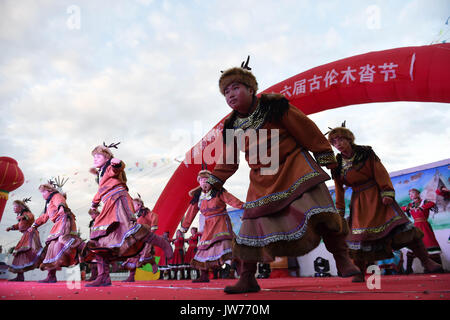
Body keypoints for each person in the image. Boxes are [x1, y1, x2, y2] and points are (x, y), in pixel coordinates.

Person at [207, 59, 360, 294]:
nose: (230, 95)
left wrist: (325, 157)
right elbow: (228, 160)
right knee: (250, 227)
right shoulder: (231, 125)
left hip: (294, 166)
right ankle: (247, 277)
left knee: (321, 212)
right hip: (261, 178)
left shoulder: (274, 105)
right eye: (226, 92)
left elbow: (305, 128)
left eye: (235, 88)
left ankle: (342, 259)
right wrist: (215, 179)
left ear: (251, 89)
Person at [327, 123, 443, 282]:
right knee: (360, 238)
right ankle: (360, 272)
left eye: (340, 139)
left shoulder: (366, 153)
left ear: (348, 138)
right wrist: (339, 211)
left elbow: (379, 171)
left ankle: (427, 261)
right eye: (333, 142)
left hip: (378, 198)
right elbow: (339, 189)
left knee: (402, 229)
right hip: (359, 203)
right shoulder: (337, 165)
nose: (337, 144)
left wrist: (386, 191)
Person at [83, 142, 173, 287]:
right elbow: (101, 190)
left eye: (98, 156)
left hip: (118, 200)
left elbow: (116, 169)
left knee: (131, 230)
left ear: (106, 157)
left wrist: (116, 163)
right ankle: (103, 276)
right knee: (98, 239)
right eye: (94, 156)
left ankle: (162, 243)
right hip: (107, 205)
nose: (94, 159)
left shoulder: (109, 168)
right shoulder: (101, 174)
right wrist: (94, 203)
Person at [180, 169, 244, 283]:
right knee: (203, 248)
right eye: (201, 180)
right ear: (199, 182)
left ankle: (235, 267)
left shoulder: (219, 192)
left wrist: (244, 207)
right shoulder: (198, 196)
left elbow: (232, 200)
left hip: (221, 222)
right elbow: (191, 212)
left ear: (211, 181)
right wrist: (184, 227)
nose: (204, 182)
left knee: (225, 245)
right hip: (208, 225)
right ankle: (204, 274)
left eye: (206, 180)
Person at [29, 179, 83, 283]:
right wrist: (35, 225)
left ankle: (85, 248)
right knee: (51, 248)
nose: (42, 195)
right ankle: (51, 276)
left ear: (49, 191)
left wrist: (61, 207)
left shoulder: (56, 195)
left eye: (43, 192)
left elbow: (60, 201)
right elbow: (44, 217)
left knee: (64, 239)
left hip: (64, 219)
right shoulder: (49, 204)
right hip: (57, 223)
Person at [401, 188, 442, 273]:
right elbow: (402, 209)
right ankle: (408, 269)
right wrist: (408, 208)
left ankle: (438, 268)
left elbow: (432, 203)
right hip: (416, 226)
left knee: (430, 244)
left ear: (417, 194)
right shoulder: (410, 205)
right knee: (412, 246)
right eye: (409, 194)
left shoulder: (424, 202)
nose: (411, 195)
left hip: (424, 226)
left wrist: (422, 207)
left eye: (412, 193)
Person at [122, 195, 160, 282]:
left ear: (139, 205)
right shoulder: (135, 216)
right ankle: (131, 277)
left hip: (146, 238)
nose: (132, 207)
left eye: (134, 205)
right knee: (133, 256)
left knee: (144, 255)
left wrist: (153, 227)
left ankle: (153, 263)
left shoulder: (145, 212)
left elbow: (154, 216)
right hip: (136, 239)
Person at [6, 198, 44, 281]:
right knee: (20, 254)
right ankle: (20, 276)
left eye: (15, 207)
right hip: (25, 236)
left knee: (33, 253)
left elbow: (31, 217)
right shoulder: (22, 216)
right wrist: (11, 227)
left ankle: (50, 267)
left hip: (30, 235)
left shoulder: (26, 213)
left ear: (20, 207)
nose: (14, 209)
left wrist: (23, 216)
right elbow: (19, 225)